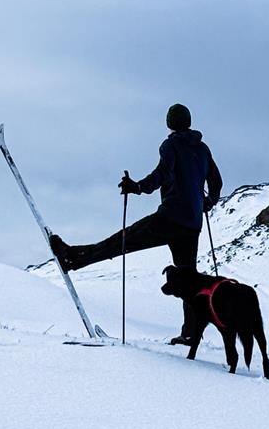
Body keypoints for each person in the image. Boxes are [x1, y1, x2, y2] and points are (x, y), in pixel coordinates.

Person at [49, 103, 222, 346]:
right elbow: (216, 181)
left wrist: (138, 187)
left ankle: (73, 259)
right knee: (188, 279)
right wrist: (208, 202)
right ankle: (191, 333)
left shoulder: (171, 145)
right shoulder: (202, 149)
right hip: (192, 225)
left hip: (170, 218)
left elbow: (162, 174)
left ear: (170, 123)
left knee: (124, 240)